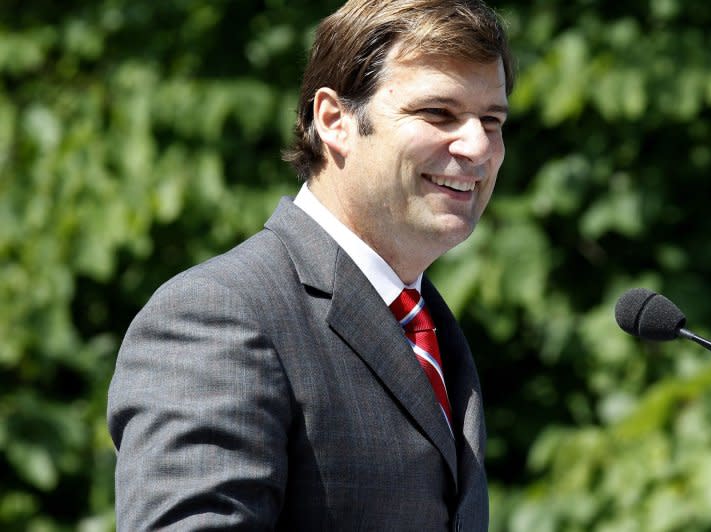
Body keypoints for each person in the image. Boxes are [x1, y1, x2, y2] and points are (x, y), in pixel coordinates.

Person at [107, 0, 514, 529]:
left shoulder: (426, 324)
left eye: (492, 120)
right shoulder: (218, 315)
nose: (478, 146)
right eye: (438, 114)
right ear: (334, 121)